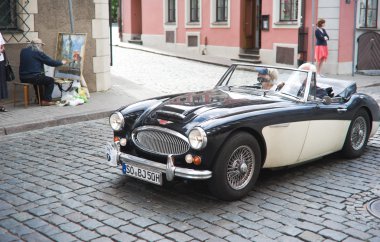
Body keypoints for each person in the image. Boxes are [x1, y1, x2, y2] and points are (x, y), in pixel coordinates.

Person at [19, 38, 66, 106]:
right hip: (33, 77)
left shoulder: (23, 51)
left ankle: (40, 99)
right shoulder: (37, 52)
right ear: (38, 45)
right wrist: (61, 62)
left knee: (40, 80)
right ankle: (46, 100)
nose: (41, 47)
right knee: (50, 80)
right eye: (41, 45)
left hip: (23, 77)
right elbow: (51, 62)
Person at [0, 32, 8, 112]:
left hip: (0, 61)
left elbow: (2, 47)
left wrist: (1, 50)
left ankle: (1, 105)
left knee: (1, 83)